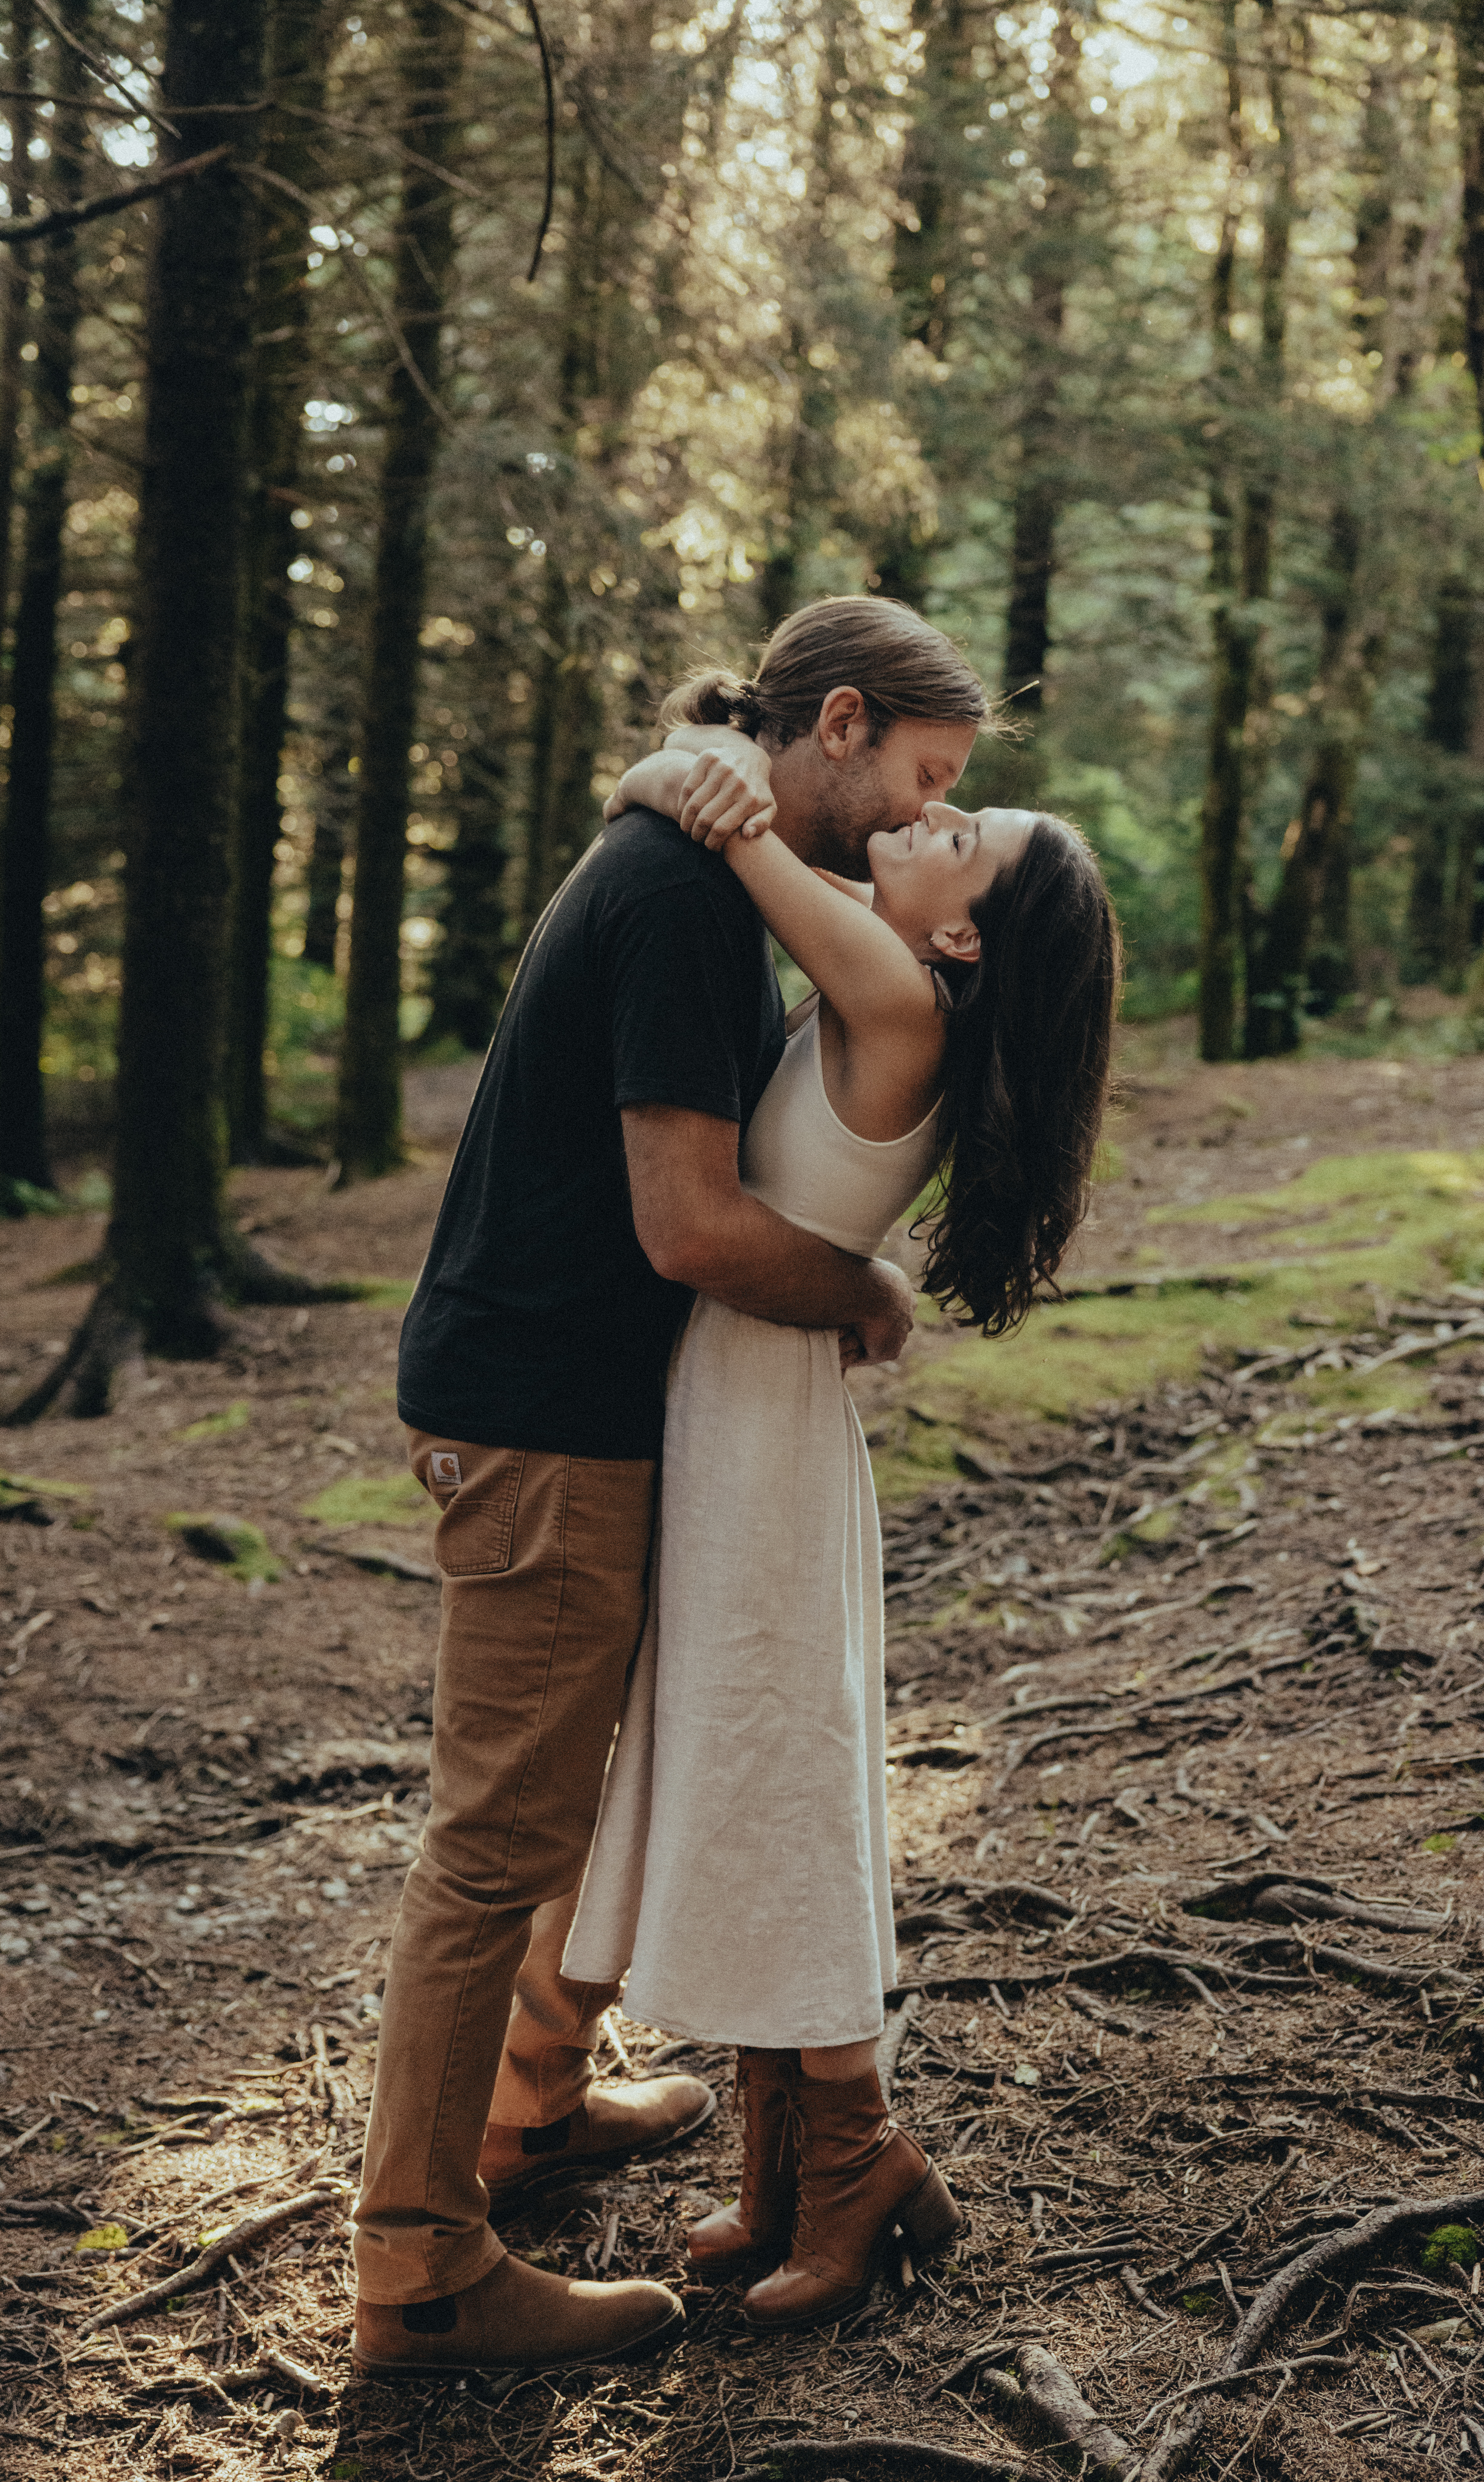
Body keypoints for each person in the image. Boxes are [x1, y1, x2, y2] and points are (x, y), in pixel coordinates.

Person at [350, 597, 992, 2381]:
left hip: (560, 1403)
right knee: (493, 1849)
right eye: (925, 778)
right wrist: (867, 1296)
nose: (926, 812)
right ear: (841, 725)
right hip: (541, 1414)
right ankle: (418, 2266)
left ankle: (536, 2104)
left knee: (551, 1807)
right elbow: (689, 1226)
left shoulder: (706, 871)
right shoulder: (687, 898)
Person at [560, 721, 1120, 2332]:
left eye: (962, 831)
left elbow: (738, 846)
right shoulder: (879, 966)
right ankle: (779, 2175)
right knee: (740, 1780)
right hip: (737, 1421)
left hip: (764, 1444)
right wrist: (689, 759)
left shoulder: (894, 999)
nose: (927, 814)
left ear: (958, 934)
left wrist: (691, 769)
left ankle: (858, 2157)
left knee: (779, 1791)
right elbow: (773, 852)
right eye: (940, 795)